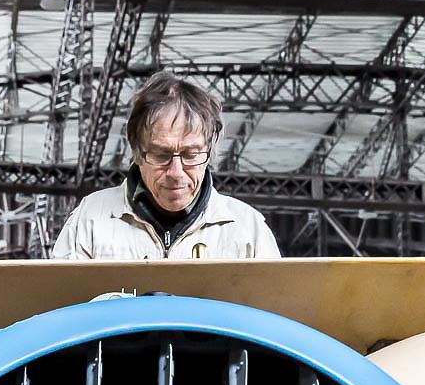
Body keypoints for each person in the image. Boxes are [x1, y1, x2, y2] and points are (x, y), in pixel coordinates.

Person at [49, 72, 282, 259]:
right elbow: (61, 308)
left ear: (209, 152)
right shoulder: (91, 219)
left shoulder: (247, 229)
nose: (176, 173)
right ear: (137, 152)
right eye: (161, 155)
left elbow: (272, 313)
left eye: (191, 155)